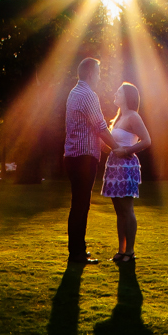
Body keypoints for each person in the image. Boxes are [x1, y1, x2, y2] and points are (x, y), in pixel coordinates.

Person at [63, 58, 110, 265]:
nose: (99, 77)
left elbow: (89, 128)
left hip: (73, 157)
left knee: (80, 204)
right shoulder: (89, 95)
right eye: (98, 73)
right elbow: (100, 127)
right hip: (84, 159)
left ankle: (79, 250)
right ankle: (76, 254)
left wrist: (107, 147)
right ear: (91, 74)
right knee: (80, 206)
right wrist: (118, 148)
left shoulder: (74, 93)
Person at [101, 83, 151, 265]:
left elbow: (147, 140)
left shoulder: (133, 116)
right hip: (114, 167)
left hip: (127, 168)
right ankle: (121, 250)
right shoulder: (119, 117)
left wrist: (127, 150)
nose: (115, 93)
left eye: (119, 92)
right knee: (119, 211)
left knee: (127, 209)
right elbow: (114, 146)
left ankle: (130, 251)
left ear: (127, 96)